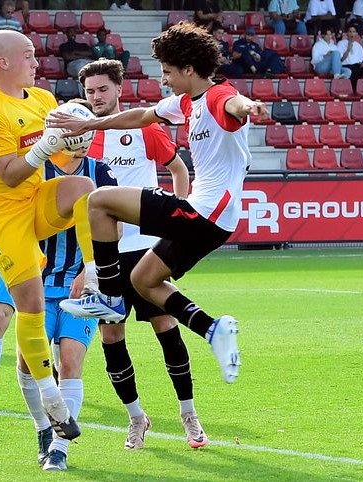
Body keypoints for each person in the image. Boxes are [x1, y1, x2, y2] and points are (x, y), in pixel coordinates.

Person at [49, 21, 268, 386]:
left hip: (205, 214)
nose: (163, 79)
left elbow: (235, 103)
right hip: (212, 219)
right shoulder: (186, 102)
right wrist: (88, 126)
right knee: (144, 279)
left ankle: (106, 294)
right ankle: (213, 329)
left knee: (99, 202)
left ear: (188, 69)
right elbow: (139, 116)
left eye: (167, 71)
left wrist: (251, 107)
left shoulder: (217, 97)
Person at [0, 29, 98, 441]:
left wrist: (78, 141)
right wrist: (45, 146)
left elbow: (61, 157)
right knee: (31, 304)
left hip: (34, 196)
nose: (37, 63)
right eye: (28, 56)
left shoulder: (42, 100)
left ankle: (92, 273)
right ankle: (49, 402)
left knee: (85, 190)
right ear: (2, 63)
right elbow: (8, 175)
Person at [78, 58, 209, 450]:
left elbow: (180, 171)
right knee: (112, 337)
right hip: (104, 258)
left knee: (166, 330)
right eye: (89, 91)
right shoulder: (81, 138)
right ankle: (137, 419)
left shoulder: (144, 128)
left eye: (102, 89)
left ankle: (189, 414)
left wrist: (177, 229)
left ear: (119, 89)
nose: (95, 97)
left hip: (146, 252)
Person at [0, 135, 116, 471]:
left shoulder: (100, 173)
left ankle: (60, 449)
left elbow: (112, 223)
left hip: (80, 288)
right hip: (36, 281)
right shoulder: (34, 171)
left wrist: (88, 271)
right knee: (27, 364)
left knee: (71, 361)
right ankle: (42, 430)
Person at [337, 24, 363, 91]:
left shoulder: (358, 46)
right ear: (347, 34)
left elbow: (362, 61)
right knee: (354, 71)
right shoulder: (341, 43)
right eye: (350, 31)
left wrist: (361, 64)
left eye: (353, 31)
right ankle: (354, 91)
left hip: (357, 66)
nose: (352, 33)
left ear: (356, 34)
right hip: (346, 66)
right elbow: (340, 59)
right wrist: (348, 49)